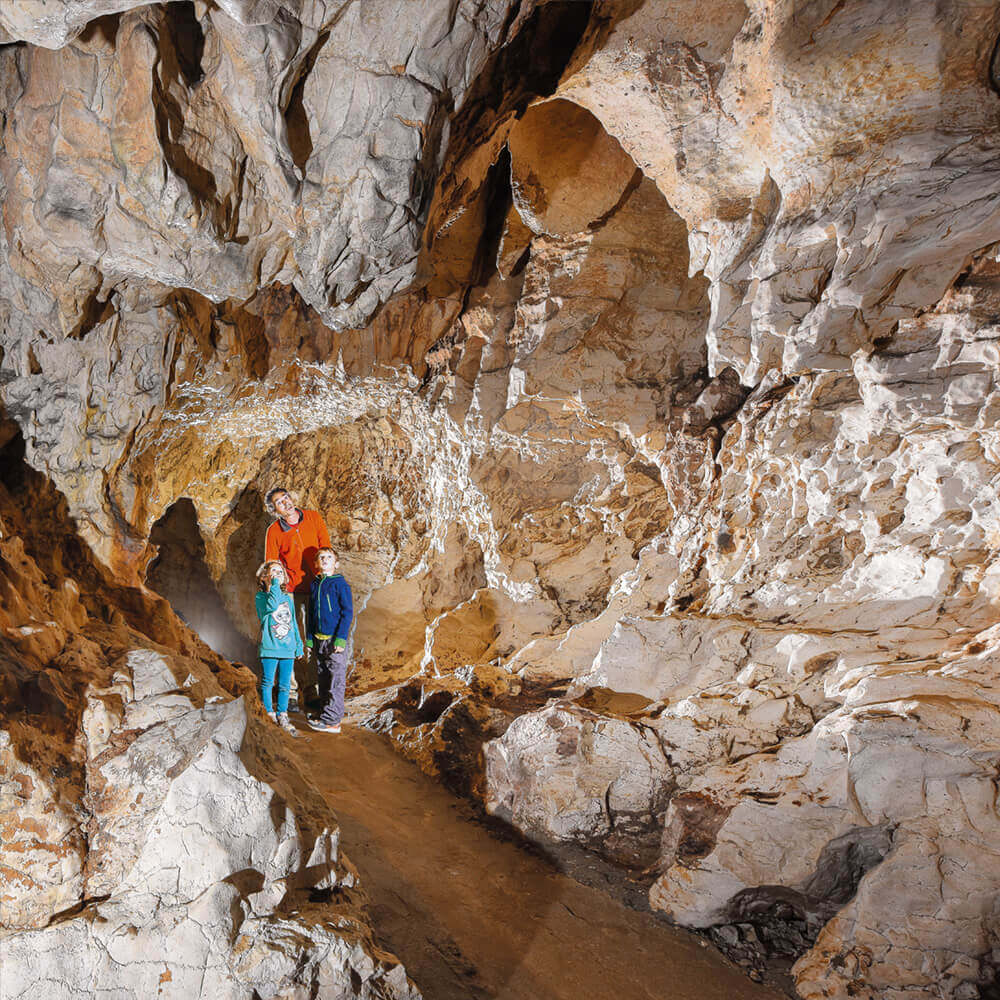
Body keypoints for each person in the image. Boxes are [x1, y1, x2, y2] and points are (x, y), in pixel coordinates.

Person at [263, 486, 331, 708]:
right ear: (275, 511)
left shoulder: (312, 517)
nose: (286, 503)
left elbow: (326, 548)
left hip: (315, 587)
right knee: (288, 640)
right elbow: (272, 563)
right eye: (280, 503)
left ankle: (313, 691)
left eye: (286, 498)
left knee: (314, 639)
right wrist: (275, 593)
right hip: (289, 592)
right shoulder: (274, 531)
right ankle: (290, 692)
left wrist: (326, 581)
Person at [306, 547, 353, 734]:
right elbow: (310, 614)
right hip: (319, 640)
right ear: (316, 564)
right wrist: (309, 640)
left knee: (335, 680)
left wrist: (341, 639)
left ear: (336, 564)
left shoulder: (340, 584)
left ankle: (333, 722)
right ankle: (324, 714)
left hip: (334, 641)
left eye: (329, 557)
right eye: (321, 558)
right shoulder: (315, 584)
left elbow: (347, 612)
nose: (325, 560)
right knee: (323, 678)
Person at [254, 560, 302, 736]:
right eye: (273, 572)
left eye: (280, 572)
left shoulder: (287, 599)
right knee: (267, 682)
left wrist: (299, 645)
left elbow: (293, 622)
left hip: (287, 648)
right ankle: (269, 713)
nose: (277, 575)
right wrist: (274, 585)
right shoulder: (261, 598)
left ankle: (283, 714)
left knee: (284, 685)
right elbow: (272, 606)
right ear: (264, 577)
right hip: (270, 648)